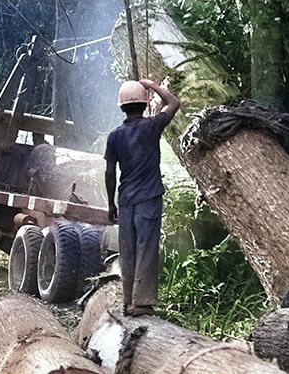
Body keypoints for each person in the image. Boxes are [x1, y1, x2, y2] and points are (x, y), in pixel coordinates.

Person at [104, 79, 180, 317]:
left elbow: (109, 172)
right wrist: (152, 85)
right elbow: (174, 102)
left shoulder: (114, 136)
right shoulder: (152, 126)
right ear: (145, 104)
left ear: (122, 107)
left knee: (128, 251)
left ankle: (128, 300)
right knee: (146, 248)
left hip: (126, 200)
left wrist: (110, 204)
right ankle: (142, 302)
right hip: (149, 198)